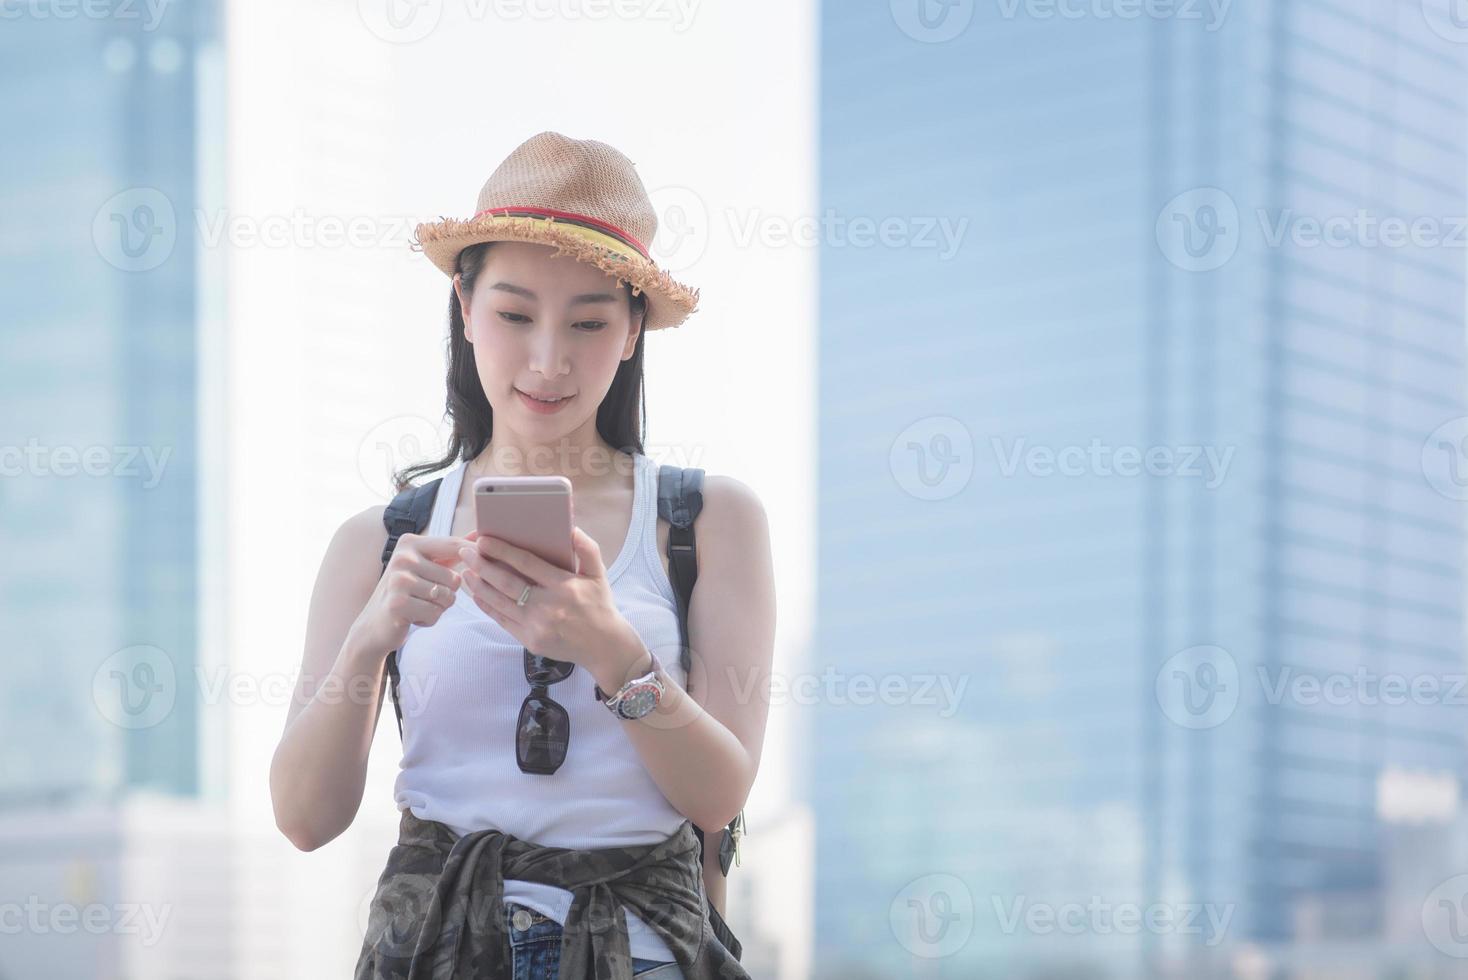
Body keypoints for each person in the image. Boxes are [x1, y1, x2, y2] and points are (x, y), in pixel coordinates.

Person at [269, 132, 776, 979]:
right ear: (464, 309)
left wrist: (612, 651)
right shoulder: (381, 540)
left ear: (633, 331)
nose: (549, 360)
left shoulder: (706, 520)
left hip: (639, 952)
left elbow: (720, 797)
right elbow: (304, 818)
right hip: (433, 948)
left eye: (588, 321)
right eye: (513, 314)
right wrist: (370, 640)